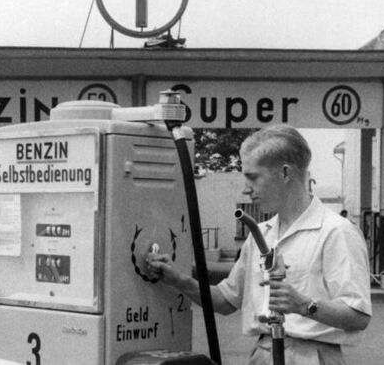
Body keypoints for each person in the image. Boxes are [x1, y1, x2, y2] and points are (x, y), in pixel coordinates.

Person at [147, 125, 371, 365]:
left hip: (312, 356)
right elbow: (226, 300)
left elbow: (358, 315)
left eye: (253, 177)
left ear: (285, 173)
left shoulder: (335, 231)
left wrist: (305, 305)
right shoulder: (260, 234)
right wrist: (178, 280)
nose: (246, 188)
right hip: (263, 353)